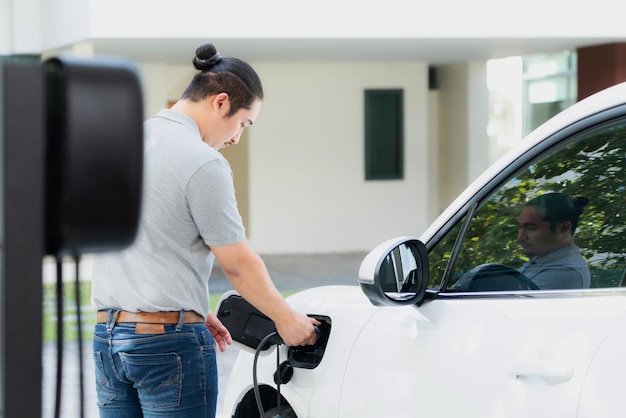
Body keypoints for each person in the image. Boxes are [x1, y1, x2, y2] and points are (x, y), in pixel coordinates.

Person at [90, 43, 319, 418]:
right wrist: (286, 319)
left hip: (108, 341)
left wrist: (190, 305)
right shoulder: (202, 162)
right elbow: (238, 264)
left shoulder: (121, 143)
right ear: (221, 102)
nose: (236, 138)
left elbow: (135, 240)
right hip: (168, 348)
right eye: (243, 123)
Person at [516, 192, 591, 289]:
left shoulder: (564, 272)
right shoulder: (544, 261)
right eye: (520, 227)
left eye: (531, 228)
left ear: (563, 228)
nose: (521, 237)